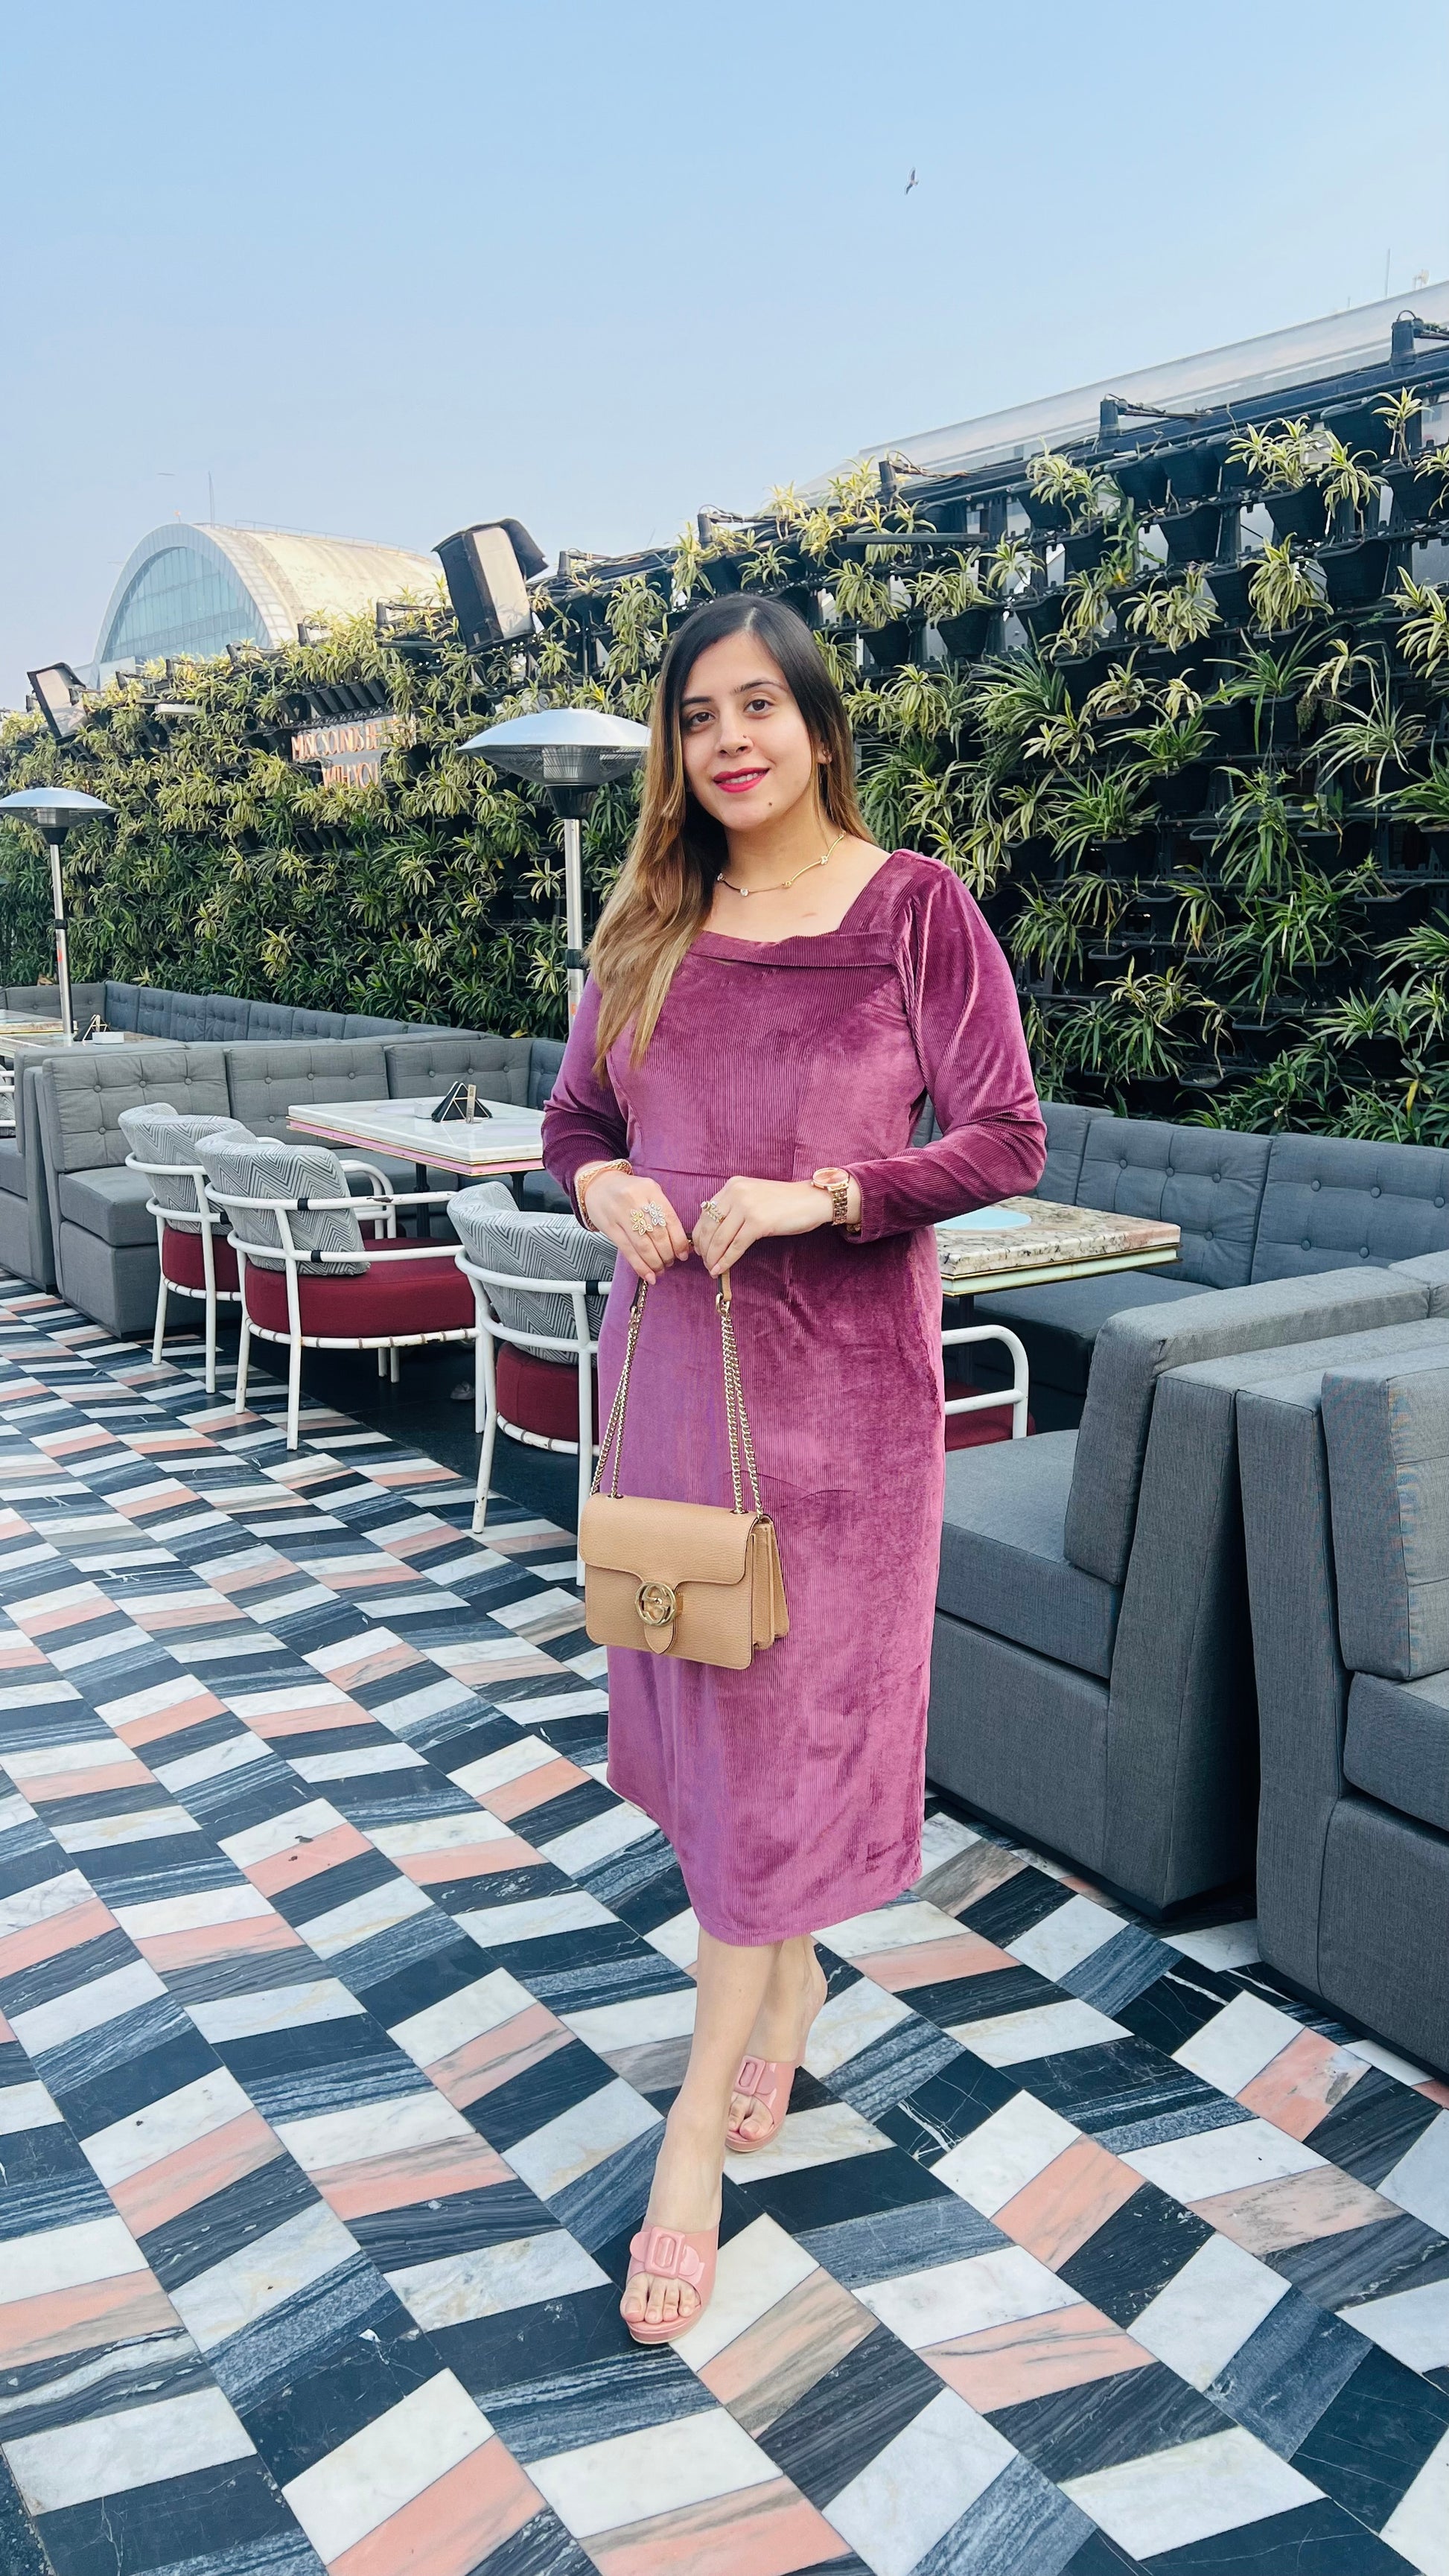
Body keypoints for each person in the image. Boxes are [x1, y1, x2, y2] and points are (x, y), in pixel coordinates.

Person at [542, 592, 1045, 2343]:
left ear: (820, 727)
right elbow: (575, 1120)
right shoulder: (648, 918)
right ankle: (791, 1976)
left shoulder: (911, 908)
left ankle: (690, 2131)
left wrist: (828, 1193)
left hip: (841, 1429)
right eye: (697, 716)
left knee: (773, 1761)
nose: (728, 741)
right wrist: (603, 1184)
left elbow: (1006, 1133)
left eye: (757, 705)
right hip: (679, 1400)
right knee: (721, 1756)